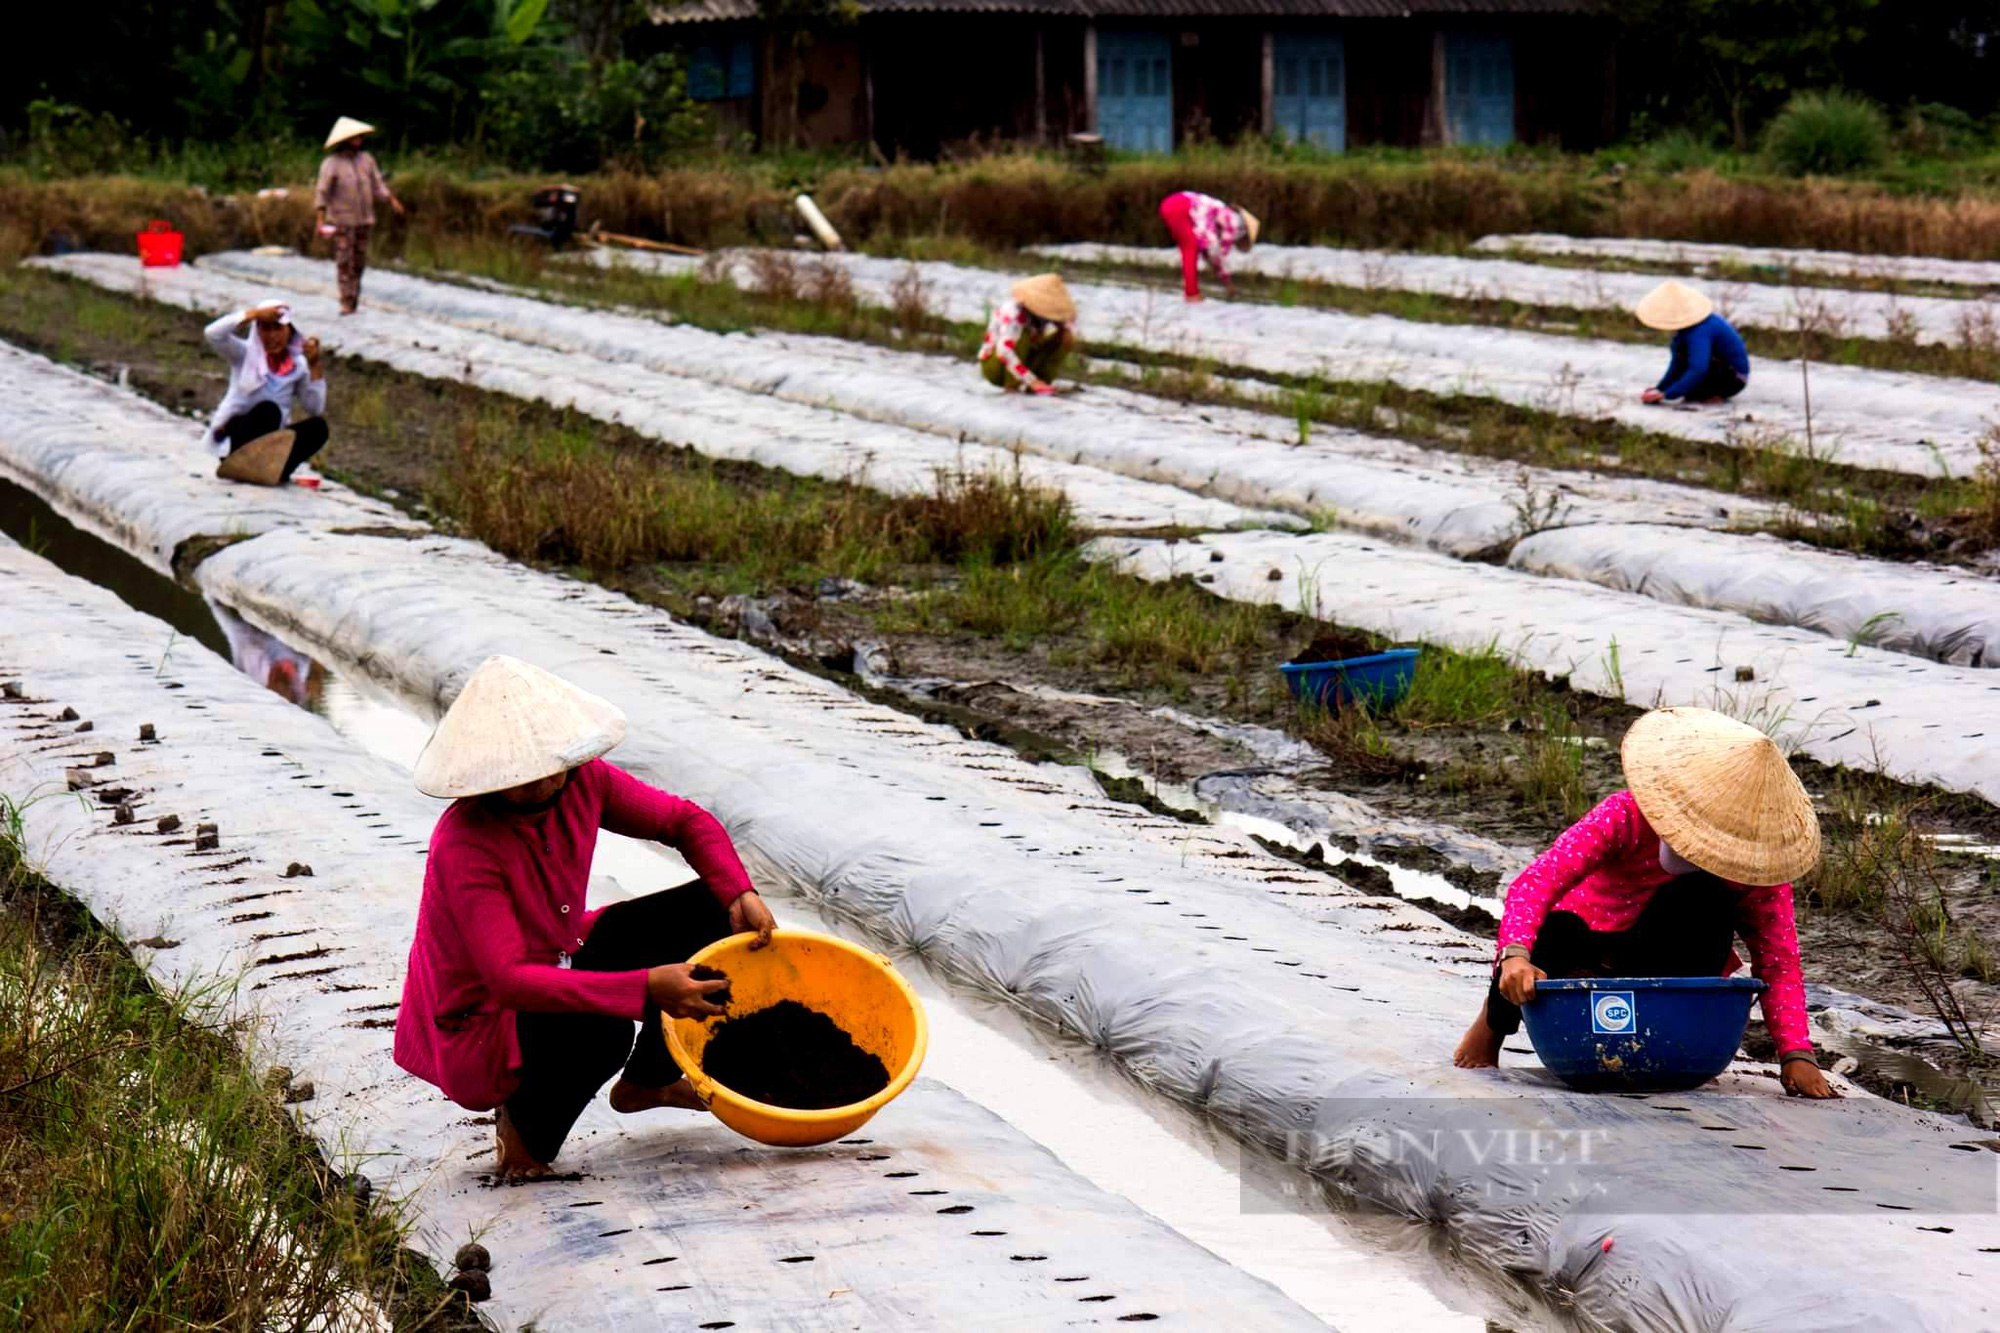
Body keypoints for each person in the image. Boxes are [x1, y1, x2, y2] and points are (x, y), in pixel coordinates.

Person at [394, 655, 778, 1180]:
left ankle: (648, 1081)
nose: (543, 785)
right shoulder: (466, 843)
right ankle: (525, 1132)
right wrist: (645, 988)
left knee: (712, 907)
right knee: (603, 1033)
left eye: (552, 768)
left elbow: (684, 821)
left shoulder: (583, 782)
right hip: (486, 1017)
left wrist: (739, 891)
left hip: (561, 953)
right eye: (523, 777)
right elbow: (509, 981)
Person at [1452, 706, 1838, 1100]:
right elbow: (1535, 884)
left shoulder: (1754, 867)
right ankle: (1493, 1023)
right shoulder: (1626, 816)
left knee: (1700, 897)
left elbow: (1778, 961)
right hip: (1584, 947)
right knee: (1555, 928)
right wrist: (1515, 956)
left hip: (1664, 961)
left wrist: (1795, 1052)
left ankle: (1672, 1035)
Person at [201, 300, 329, 486]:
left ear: (290, 331)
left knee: (318, 427)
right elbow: (213, 334)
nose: (272, 336)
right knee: (268, 412)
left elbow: (315, 408)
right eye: (265, 329)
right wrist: (253, 314)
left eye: (278, 329)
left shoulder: (298, 366)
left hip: (271, 447)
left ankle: (276, 469)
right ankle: (243, 465)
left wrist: (315, 365)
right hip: (240, 440)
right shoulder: (244, 354)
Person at [315, 116, 406, 315]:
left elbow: (377, 185)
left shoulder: (367, 160)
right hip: (342, 220)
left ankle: (354, 299)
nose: (359, 140)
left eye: (360, 137)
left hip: (364, 220)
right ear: (345, 140)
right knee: (345, 261)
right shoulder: (332, 164)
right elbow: (322, 192)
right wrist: (320, 219)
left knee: (359, 261)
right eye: (355, 137)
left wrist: (391, 200)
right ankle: (346, 301)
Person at [1636, 279, 1749, 406]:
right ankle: (1701, 392)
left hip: (1733, 379)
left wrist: (1667, 394)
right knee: (1684, 366)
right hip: (1718, 368)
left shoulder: (1701, 330)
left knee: (1691, 385)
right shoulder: (1684, 332)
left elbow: (1698, 368)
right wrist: (1660, 388)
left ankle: (1714, 393)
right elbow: (1677, 363)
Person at [979, 273, 1077, 395]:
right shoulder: (1014, 313)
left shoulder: (1048, 314)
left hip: (1026, 360)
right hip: (997, 366)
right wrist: (1031, 381)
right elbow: (1004, 351)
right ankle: (1013, 388)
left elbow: (1070, 328)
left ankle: (1041, 385)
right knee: (1021, 336)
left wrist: (1062, 329)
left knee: (1066, 336)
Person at [1158, 190, 1259, 302]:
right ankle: (1192, 295)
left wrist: (1222, 275)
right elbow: (1218, 254)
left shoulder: (1225, 213)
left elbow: (1209, 250)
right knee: (1190, 249)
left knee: (1191, 248)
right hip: (1179, 207)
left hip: (1172, 204)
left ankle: (1191, 292)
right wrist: (1226, 281)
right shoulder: (1233, 225)